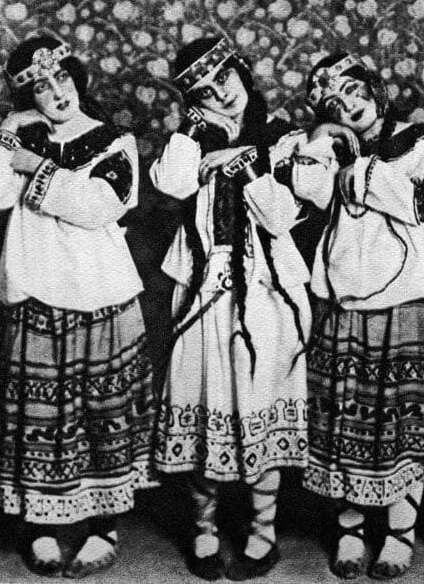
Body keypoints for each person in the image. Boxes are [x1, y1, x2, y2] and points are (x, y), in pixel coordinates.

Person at [0, 33, 155, 578]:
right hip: (38, 290)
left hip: (101, 293)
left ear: (77, 79)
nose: (56, 93)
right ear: (28, 98)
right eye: (41, 88)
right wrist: (6, 136)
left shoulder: (114, 140)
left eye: (62, 79)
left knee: (104, 412)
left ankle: (104, 526)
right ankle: (43, 526)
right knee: (43, 416)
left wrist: (35, 164)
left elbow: (101, 204)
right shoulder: (20, 137)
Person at [149, 36, 311, 581]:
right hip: (202, 284)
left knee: (260, 398)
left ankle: (264, 530)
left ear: (244, 72)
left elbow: (281, 216)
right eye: (204, 91)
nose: (221, 94)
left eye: (226, 79)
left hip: (265, 287)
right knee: (202, 397)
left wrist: (241, 162)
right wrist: (197, 131)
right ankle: (203, 529)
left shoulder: (284, 140)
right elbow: (171, 183)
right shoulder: (190, 141)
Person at [292, 52, 424, 580]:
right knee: (345, 418)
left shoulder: (420, 140)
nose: (349, 105)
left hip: (407, 300)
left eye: (356, 91)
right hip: (345, 301)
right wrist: (322, 138)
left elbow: (420, 203)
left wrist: (354, 167)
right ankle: (351, 529)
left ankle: (401, 534)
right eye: (334, 99)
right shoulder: (326, 144)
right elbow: (306, 192)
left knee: (406, 421)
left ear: (377, 92)